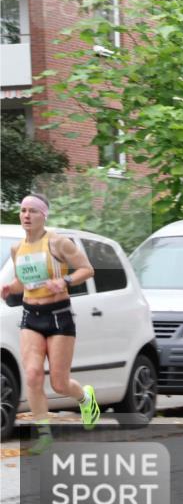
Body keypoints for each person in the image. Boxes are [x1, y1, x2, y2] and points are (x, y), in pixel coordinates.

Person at [1, 194, 98, 454]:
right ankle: (43, 435)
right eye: (23, 210)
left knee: (59, 383)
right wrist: (11, 287)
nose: (26, 215)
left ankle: (85, 398)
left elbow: (87, 269)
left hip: (59, 315)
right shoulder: (17, 248)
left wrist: (64, 282)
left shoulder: (57, 243)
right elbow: (24, 283)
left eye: (33, 211)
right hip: (30, 315)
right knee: (32, 374)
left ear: (44, 215)